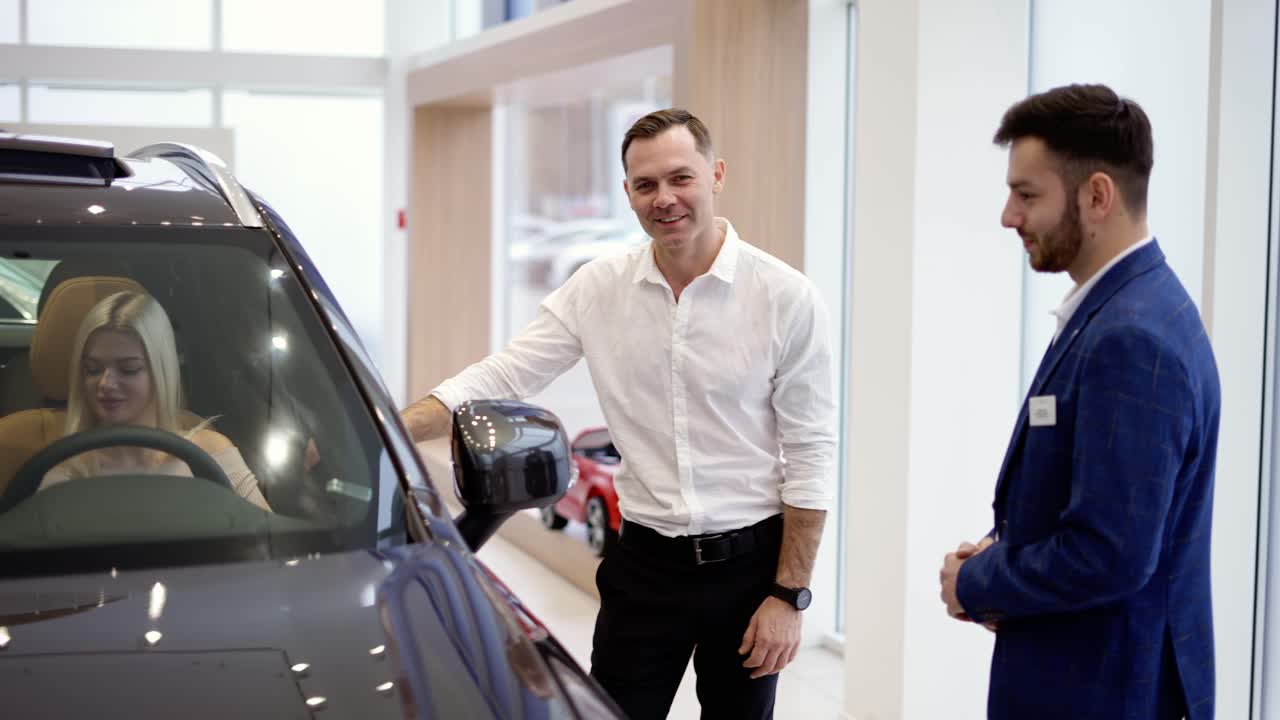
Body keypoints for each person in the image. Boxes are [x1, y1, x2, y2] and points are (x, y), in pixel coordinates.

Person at [401, 108, 836, 719]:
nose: (665, 198)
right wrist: (385, 430)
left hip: (750, 570)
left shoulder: (785, 297)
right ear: (627, 192)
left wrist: (789, 595)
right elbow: (501, 375)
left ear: (716, 174)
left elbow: (811, 452)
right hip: (646, 567)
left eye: (681, 178)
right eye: (646, 184)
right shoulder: (597, 289)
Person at [937, 84, 1219, 719]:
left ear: (1097, 196)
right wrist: (1001, 548)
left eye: (1027, 194)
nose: (1008, 216)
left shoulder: (1132, 337)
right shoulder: (1133, 306)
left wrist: (977, 582)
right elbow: (1097, 500)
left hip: (1102, 690)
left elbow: (1110, 553)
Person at [41, 290, 271, 512]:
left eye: (128, 369)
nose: (106, 383)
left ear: (161, 372)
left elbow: (272, 540)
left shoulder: (211, 455)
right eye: (93, 369)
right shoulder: (64, 473)